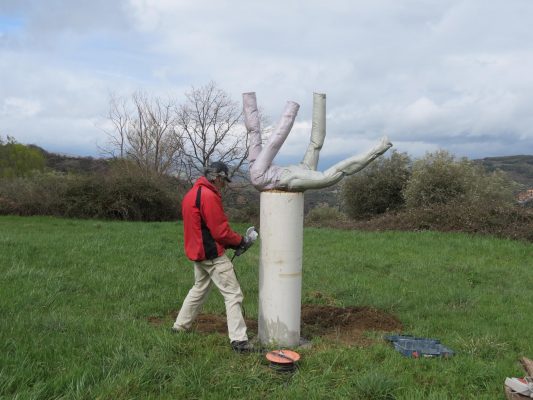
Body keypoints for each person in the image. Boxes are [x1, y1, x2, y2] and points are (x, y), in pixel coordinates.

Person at [172, 161, 255, 353]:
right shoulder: (208, 196)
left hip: (197, 253)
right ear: (216, 177)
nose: (224, 184)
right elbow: (220, 232)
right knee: (233, 294)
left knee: (199, 288)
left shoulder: (191, 193)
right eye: (224, 180)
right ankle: (239, 341)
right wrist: (240, 241)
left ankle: (179, 327)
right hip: (211, 254)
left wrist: (235, 242)